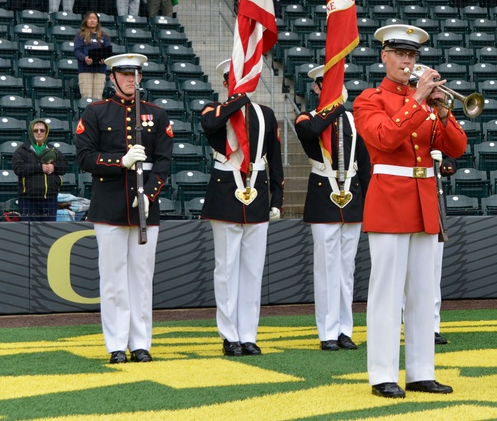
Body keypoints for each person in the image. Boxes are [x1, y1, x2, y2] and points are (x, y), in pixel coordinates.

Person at [352, 24, 467, 399]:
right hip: (389, 198)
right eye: (400, 54)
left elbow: (457, 148)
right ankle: (383, 373)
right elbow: (384, 138)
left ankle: (421, 371)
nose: (407, 61)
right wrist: (417, 102)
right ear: (384, 56)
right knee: (386, 293)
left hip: (423, 200)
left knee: (421, 292)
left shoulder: (426, 104)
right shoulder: (369, 99)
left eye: (412, 55)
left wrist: (443, 112)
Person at [76, 53, 173, 364]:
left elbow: (164, 162)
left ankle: (141, 343)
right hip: (109, 207)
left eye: (136, 73)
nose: (131, 78)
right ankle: (117, 343)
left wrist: (150, 194)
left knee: (142, 279)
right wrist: (120, 161)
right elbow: (84, 157)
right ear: (112, 77)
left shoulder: (157, 115)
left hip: (145, 207)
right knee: (114, 278)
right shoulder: (96, 112)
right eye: (125, 73)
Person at [200, 60, 284, 358]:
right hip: (226, 194)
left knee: (252, 269)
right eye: (233, 80)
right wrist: (237, 100)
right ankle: (229, 334)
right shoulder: (214, 109)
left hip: (257, 194)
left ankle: (248, 334)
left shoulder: (266, 114)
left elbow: (274, 159)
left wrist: (277, 199)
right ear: (225, 83)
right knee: (226, 269)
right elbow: (211, 126)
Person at [295, 65, 371, 352]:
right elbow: (313, 130)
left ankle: (344, 329)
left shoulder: (354, 120)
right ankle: (327, 330)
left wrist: (369, 199)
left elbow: (364, 163)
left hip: (351, 195)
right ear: (316, 88)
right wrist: (332, 106)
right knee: (326, 267)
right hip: (324, 192)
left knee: (346, 268)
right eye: (327, 85)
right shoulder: (308, 117)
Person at [12, 118, 68, 221]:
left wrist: (54, 167)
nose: (39, 133)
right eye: (35, 130)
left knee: (49, 232)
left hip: (50, 199)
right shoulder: (22, 150)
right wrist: (39, 168)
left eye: (42, 130)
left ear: (46, 132)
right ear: (30, 132)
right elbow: (18, 169)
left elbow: (64, 167)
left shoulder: (53, 150)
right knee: (30, 232)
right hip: (28, 200)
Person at [74, 11, 112, 100]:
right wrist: (85, 58)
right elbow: (77, 51)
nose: (92, 20)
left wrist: (105, 59)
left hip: (100, 70)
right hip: (85, 70)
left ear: (97, 21)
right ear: (86, 21)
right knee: (87, 97)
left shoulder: (104, 36)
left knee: (98, 98)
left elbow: (108, 51)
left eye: (94, 18)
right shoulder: (80, 36)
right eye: (90, 18)